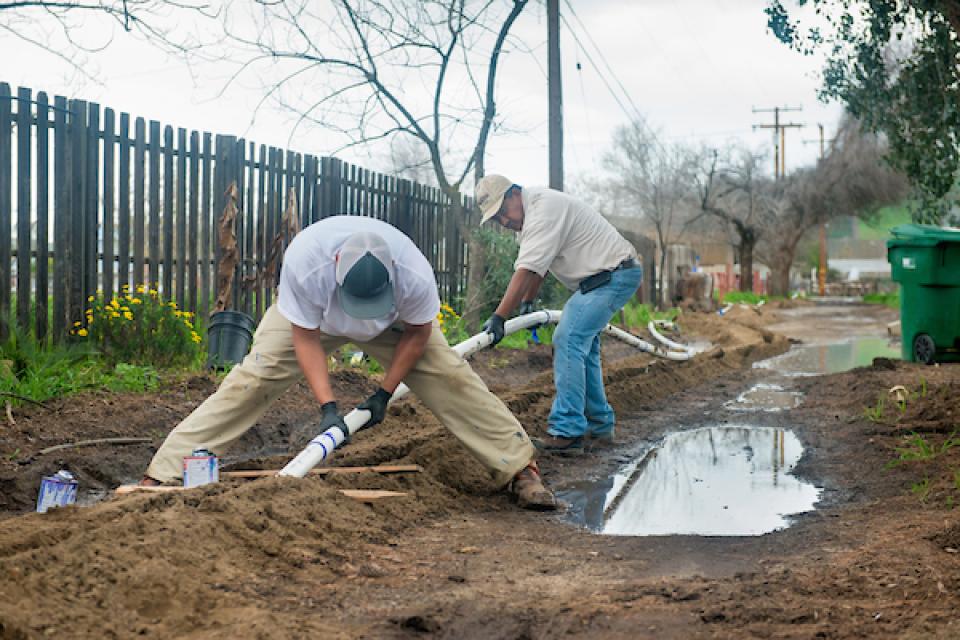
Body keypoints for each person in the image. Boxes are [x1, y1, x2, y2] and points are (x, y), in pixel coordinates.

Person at [140, 215, 556, 510]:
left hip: (394, 326)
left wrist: (383, 392)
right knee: (252, 379)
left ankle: (519, 467)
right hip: (313, 318)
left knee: (451, 377)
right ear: (336, 267)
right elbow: (304, 338)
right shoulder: (307, 262)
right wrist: (328, 407)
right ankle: (167, 470)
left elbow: (418, 334)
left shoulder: (414, 274)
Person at [476, 175, 642, 455]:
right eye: (496, 220)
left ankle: (567, 431)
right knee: (582, 348)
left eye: (503, 212)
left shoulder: (543, 210)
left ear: (515, 194)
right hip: (606, 278)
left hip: (613, 275)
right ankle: (599, 426)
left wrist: (499, 317)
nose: (503, 222)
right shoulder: (533, 218)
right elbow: (541, 263)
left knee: (568, 340)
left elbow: (527, 269)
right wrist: (528, 301)